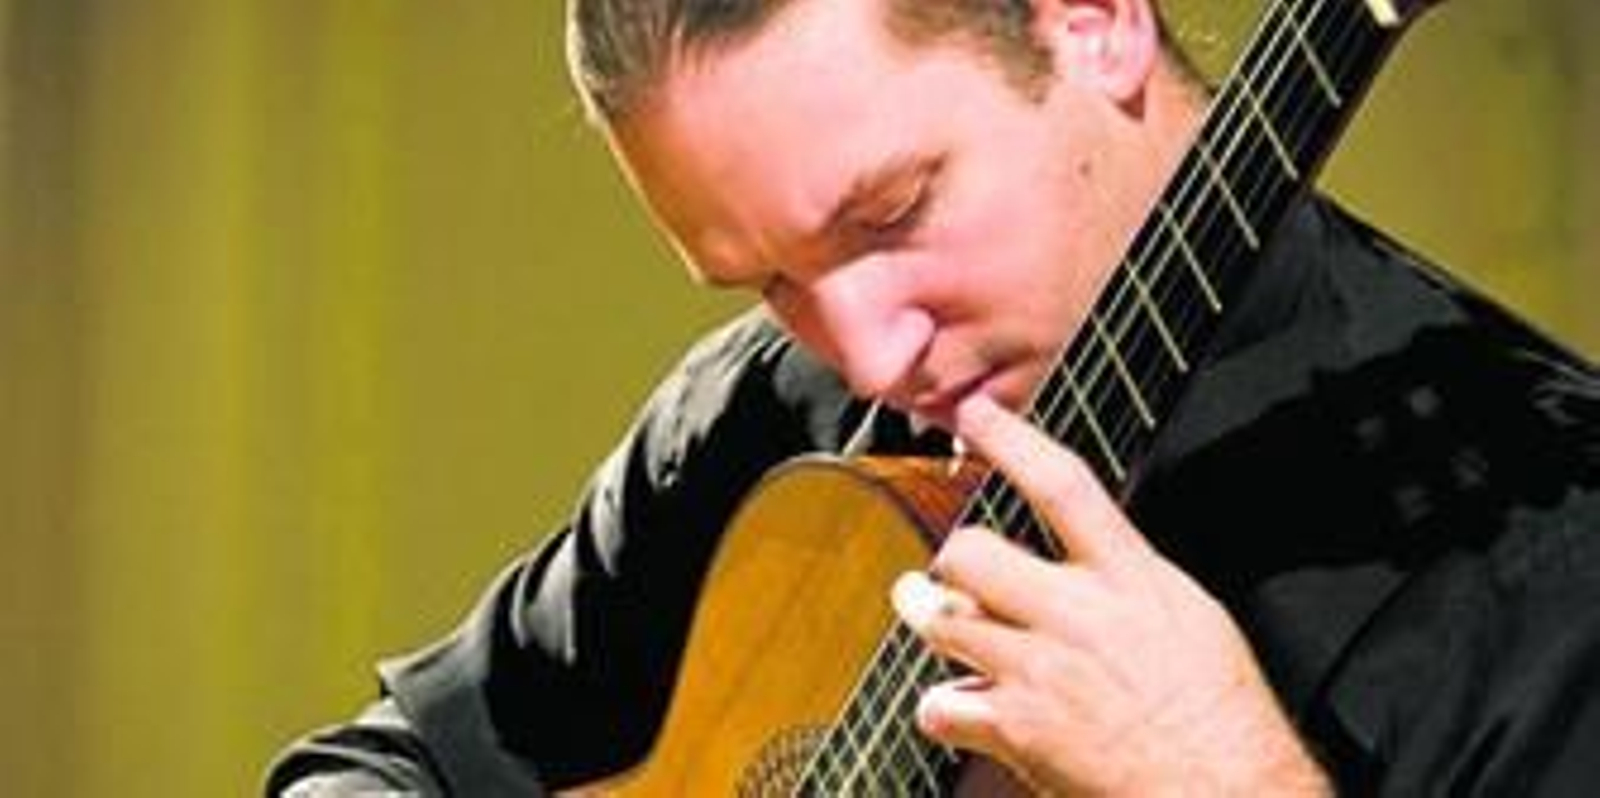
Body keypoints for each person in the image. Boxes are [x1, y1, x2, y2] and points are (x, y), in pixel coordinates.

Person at [266, 0, 1600, 794]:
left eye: (892, 213)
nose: (864, 354)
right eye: (769, 278)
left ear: (1092, 21)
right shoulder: (766, 413)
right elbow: (400, 762)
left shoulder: (1561, 568)